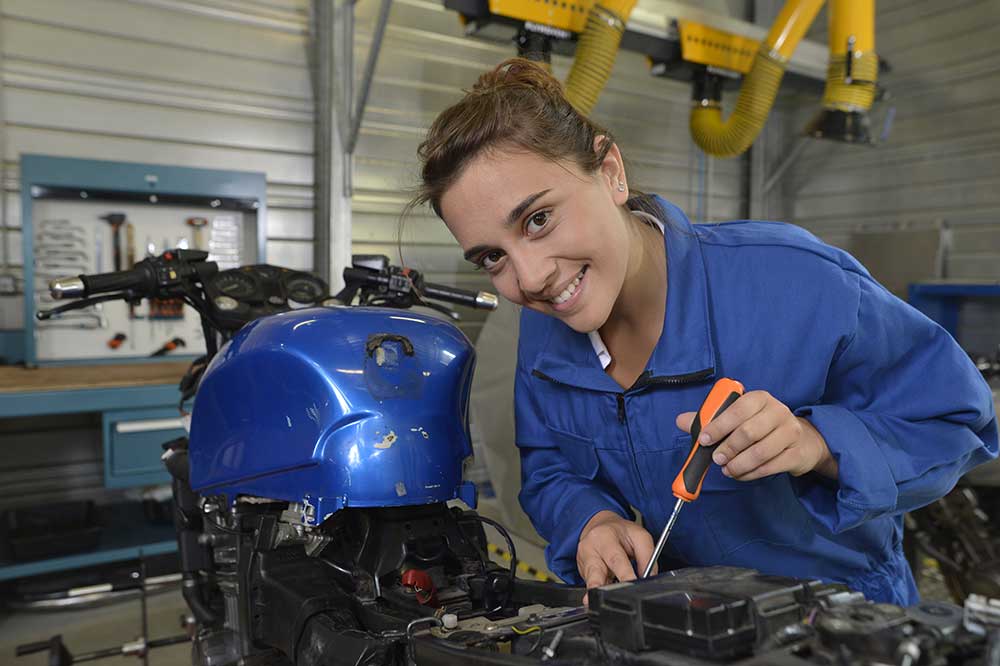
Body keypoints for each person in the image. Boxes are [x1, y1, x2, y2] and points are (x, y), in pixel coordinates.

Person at [409, 57, 998, 605]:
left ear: (610, 171)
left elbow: (953, 419)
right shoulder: (545, 325)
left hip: (843, 623)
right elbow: (549, 469)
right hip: (678, 625)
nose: (530, 278)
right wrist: (592, 521)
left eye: (538, 219)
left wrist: (815, 444)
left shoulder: (795, 278)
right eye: (492, 256)